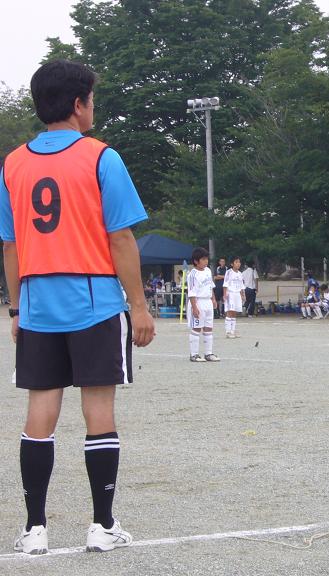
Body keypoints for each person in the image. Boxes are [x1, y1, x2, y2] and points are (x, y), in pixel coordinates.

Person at [0, 59, 154, 554]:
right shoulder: (101, 156)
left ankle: (34, 530)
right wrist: (139, 305)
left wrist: (18, 309)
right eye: (92, 99)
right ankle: (102, 525)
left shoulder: (12, 164)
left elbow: (10, 245)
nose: (93, 107)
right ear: (77, 104)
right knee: (98, 410)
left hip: (37, 303)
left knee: (40, 411)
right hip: (94, 301)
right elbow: (121, 238)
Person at [187, 247, 220, 361]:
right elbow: (191, 292)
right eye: (203, 259)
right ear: (196, 261)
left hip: (208, 301)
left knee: (208, 328)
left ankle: (208, 353)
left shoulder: (208, 271)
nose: (206, 261)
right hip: (198, 301)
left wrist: (213, 299)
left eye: (207, 259)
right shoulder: (192, 274)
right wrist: (194, 307)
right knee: (197, 328)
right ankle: (194, 354)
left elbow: (210, 286)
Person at [223, 257, 246, 338]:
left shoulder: (240, 274)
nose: (238, 264)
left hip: (237, 294)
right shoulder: (229, 272)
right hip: (230, 294)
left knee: (235, 312)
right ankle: (228, 331)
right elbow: (225, 284)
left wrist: (242, 295)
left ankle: (233, 331)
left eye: (239, 262)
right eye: (236, 262)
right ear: (232, 264)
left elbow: (241, 285)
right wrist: (225, 294)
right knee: (230, 311)